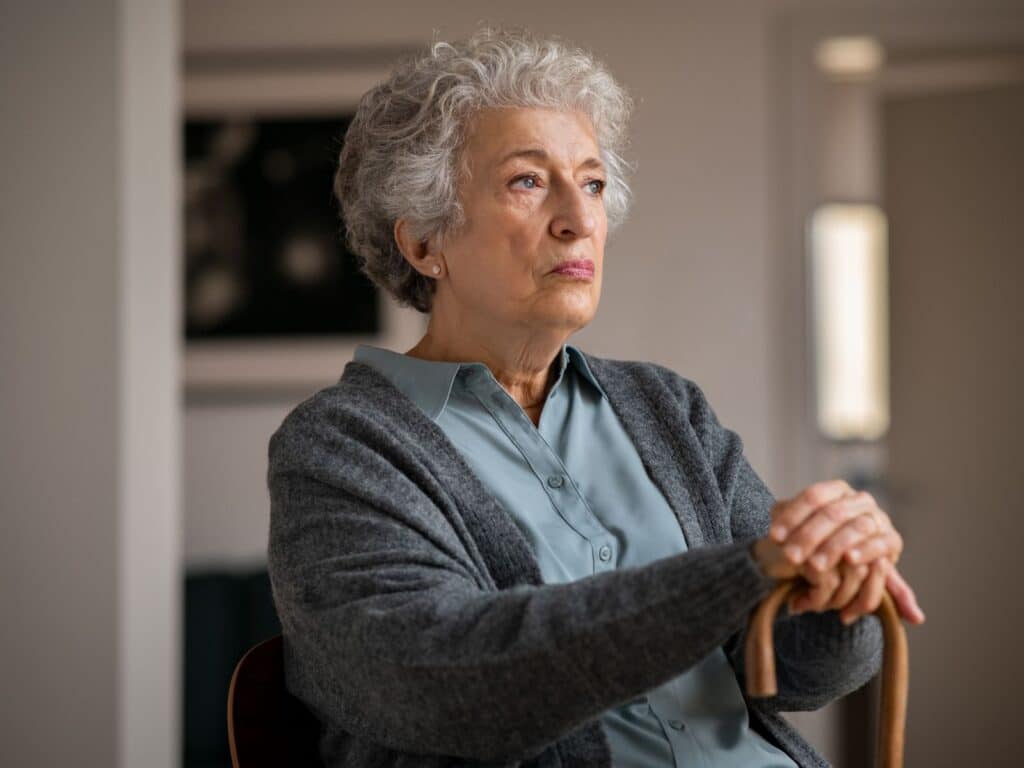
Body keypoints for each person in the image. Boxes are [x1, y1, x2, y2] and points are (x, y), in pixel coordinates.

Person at [266, 26, 925, 768]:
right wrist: (742, 572)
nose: (579, 220)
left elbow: (794, 676)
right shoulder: (341, 445)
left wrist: (837, 588)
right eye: (526, 180)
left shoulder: (665, 408)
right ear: (424, 243)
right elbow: (444, 686)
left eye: (592, 182)